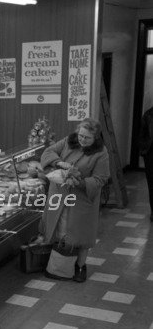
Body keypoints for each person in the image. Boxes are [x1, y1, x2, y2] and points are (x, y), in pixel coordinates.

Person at [40, 118, 110, 282]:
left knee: (81, 235)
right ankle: (60, 264)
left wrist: (80, 182)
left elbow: (101, 179)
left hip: (82, 199)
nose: (82, 140)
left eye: (87, 138)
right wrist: (59, 163)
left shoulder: (101, 152)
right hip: (60, 193)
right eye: (81, 135)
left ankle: (80, 266)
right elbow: (48, 151)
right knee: (59, 229)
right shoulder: (68, 141)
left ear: (96, 138)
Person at [138, 105, 153, 220]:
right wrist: (144, 151)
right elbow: (142, 135)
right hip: (150, 154)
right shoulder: (148, 114)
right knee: (151, 184)